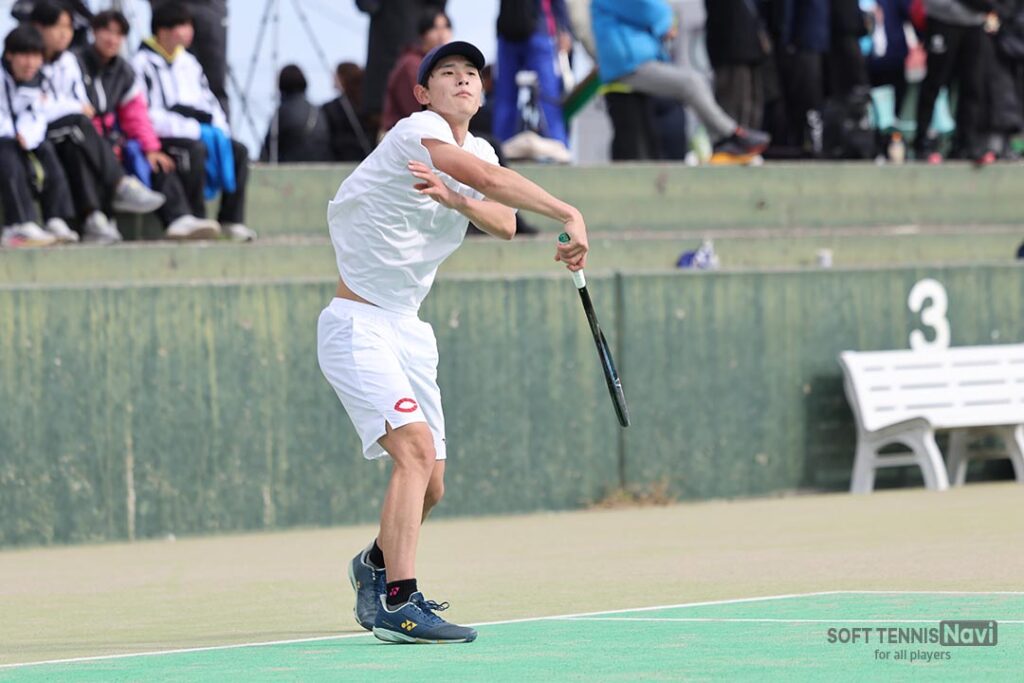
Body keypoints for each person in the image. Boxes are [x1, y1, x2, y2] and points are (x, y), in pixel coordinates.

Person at [317, 41, 589, 643]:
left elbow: (505, 221)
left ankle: (374, 564)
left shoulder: (479, 151)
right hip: (358, 325)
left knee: (432, 484)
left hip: (409, 329)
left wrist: (456, 200)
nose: (463, 80)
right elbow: (490, 181)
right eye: (448, 73)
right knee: (414, 453)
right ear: (423, 93)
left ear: (482, 93)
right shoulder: (417, 131)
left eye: (472, 74)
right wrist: (568, 211)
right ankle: (399, 603)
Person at [32, 0, 167, 243]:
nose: (64, 33)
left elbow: (83, 104)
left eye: (68, 27)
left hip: (73, 132)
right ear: (39, 27)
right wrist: (70, 107)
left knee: (78, 144)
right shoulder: (28, 58)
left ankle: (94, 218)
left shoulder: (69, 62)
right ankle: (120, 184)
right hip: (34, 132)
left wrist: (151, 147)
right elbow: (38, 105)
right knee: (79, 127)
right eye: (57, 26)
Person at [80, 9, 220, 240]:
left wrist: (151, 148)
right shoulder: (77, 63)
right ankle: (100, 216)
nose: (112, 39)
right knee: (100, 150)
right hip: (88, 136)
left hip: (119, 138)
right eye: (107, 32)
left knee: (156, 159)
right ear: (94, 32)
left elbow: (136, 114)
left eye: (119, 34)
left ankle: (183, 218)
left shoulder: (123, 71)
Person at [133, 2, 256, 242]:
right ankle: (194, 215)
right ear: (162, 31)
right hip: (167, 134)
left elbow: (209, 102)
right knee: (194, 150)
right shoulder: (141, 63)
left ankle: (231, 219)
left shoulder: (189, 63)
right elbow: (146, 113)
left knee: (239, 151)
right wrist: (191, 129)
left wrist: (218, 130)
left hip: (200, 131)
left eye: (189, 26)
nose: (188, 32)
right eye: (181, 26)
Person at [590, 0, 771, 163]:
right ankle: (729, 135)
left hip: (633, 62)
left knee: (686, 91)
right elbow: (650, 8)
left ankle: (726, 137)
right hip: (627, 64)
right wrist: (667, 22)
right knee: (691, 83)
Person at [0, 24, 74, 247]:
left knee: (46, 148)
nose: (31, 63)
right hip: (5, 141)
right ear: (9, 55)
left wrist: (27, 136)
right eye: (25, 55)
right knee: (6, 149)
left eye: (36, 56)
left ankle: (55, 218)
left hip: (21, 139)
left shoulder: (39, 80)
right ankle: (19, 223)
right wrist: (14, 134)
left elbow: (37, 116)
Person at [493, 0, 573, 146]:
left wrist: (564, 28)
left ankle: (499, 147)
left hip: (514, 29)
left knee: (507, 98)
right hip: (530, 30)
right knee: (547, 97)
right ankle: (558, 145)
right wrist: (564, 27)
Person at [380, 8, 453, 134]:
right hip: (402, 135)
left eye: (446, 27)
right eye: (435, 28)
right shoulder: (411, 64)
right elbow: (418, 108)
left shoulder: (442, 64)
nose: (442, 34)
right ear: (423, 35)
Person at [260, 64, 331, 162]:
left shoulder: (283, 112)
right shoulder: (318, 111)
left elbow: (269, 148)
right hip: (320, 164)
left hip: (289, 166)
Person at [322, 62, 372, 162]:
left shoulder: (331, 107)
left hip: (339, 160)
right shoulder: (369, 103)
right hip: (367, 158)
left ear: (342, 78)